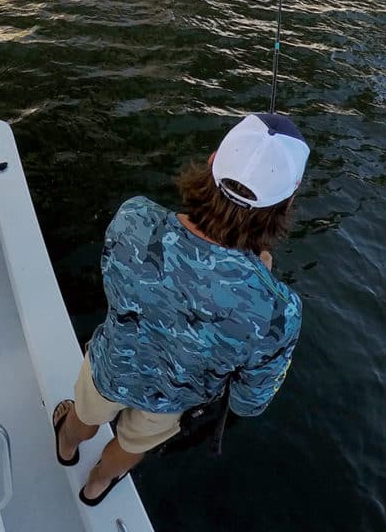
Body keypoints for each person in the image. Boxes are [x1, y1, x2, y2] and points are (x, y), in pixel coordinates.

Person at [53, 112, 309, 506]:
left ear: (211, 163)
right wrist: (262, 281)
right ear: (287, 203)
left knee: (84, 414)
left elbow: (114, 281)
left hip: (111, 365)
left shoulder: (133, 217)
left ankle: (67, 446)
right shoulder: (279, 311)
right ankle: (96, 485)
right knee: (132, 444)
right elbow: (248, 403)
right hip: (172, 399)